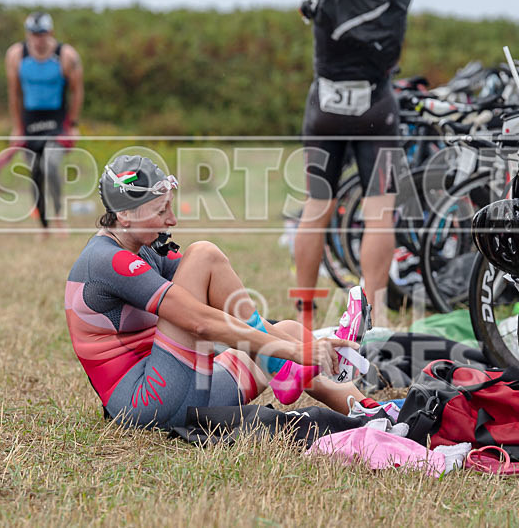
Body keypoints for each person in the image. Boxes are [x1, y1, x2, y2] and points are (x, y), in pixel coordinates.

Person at [65, 155, 388, 430]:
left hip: (182, 388)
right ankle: (282, 366)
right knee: (203, 253)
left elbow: (224, 302)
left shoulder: (143, 246)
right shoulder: (105, 261)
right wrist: (292, 353)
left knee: (289, 330)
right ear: (124, 215)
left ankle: (373, 413)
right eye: (161, 211)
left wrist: (306, 346)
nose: (172, 220)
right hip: (147, 404)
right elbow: (199, 322)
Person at [294, 0, 411, 324]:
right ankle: (372, 314)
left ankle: (304, 313)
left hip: (325, 107)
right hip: (376, 105)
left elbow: (306, 10)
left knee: (315, 209)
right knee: (379, 216)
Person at [5, 12, 83, 231]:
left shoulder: (66, 55)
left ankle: (59, 217)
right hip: (29, 121)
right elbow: (14, 94)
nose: (38, 39)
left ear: (50, 33)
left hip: (57, 121)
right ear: (27, 34)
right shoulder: (16, 55)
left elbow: (77, 91)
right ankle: (43, 224)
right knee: (35, 172)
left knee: (50, 164)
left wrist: (74, 125)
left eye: (42, 34)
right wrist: (17, 128)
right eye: (33, 34)